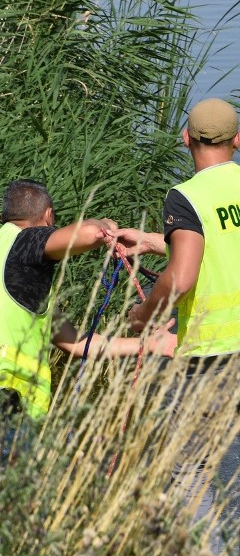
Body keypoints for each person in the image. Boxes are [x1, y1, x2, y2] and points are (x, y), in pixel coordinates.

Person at [116, 99, 240, 535]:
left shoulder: (185, 197)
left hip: (214, 360)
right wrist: (152, 240)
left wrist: (143, 316)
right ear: (237, 140)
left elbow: (182, 278)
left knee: (191, 476)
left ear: (187, 139)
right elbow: (239, 243)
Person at [0, 179, 166, 425]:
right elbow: (91, 233)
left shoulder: (18, 279)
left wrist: (149, 344)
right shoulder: (23, 241)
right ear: (48, 216)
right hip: (9, 405)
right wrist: (109, 226)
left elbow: (78, 344)